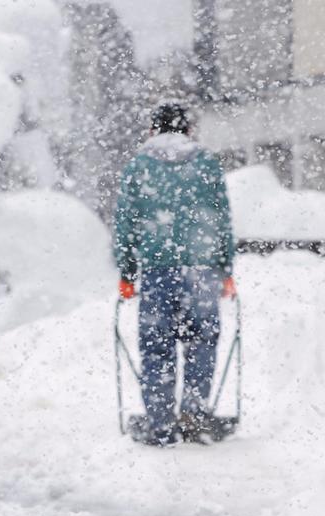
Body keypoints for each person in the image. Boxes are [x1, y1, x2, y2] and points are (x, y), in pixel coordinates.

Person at [113, 103, 237, 447]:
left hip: (156, 271)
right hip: (201, 271)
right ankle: (195, 418)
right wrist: (225, 268)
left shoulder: (139, 167)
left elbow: (126, 222)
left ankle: (161, 424)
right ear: (189, 130)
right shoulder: (206, 164)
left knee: (157, 348)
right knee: (201, 345)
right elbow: (221, 219)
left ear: (154, 130)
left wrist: (126, 271)